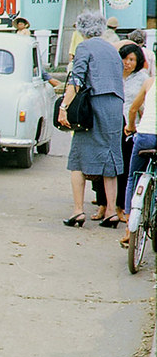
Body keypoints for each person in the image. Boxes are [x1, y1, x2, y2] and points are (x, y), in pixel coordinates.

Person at [58, 11, 125, 228]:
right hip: (115, 105)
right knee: (111, 157)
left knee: (78, 156)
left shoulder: (84, 47)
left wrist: (64, 107)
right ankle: (112, 212)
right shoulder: (112, 50)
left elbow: (76, 80)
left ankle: (78, 211)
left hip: (94, 104)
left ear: (82, 30)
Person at [91, 43, 150, 223]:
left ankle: (119, 207)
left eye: (132, 59)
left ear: (138, 61)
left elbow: (143, 106)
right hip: (108, 124)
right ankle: (102, 204)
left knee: (122, 168)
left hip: (130, 129)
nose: (127, 63)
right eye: (124, 59)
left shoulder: (142, 78)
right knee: (102, 166)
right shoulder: (112, 76)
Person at [123, 76, 157, 244]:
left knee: (133, 177)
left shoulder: (150, 82)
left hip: (145, 135)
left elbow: (132, 109)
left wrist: (130, 127)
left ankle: (129, 228)